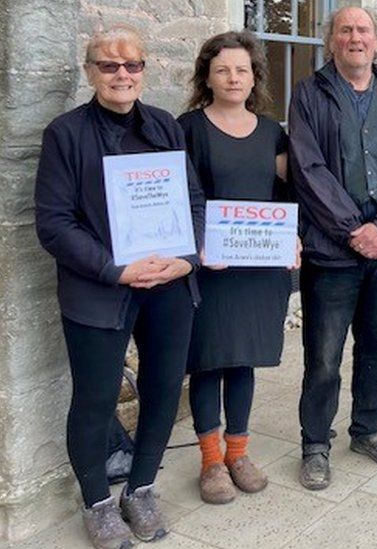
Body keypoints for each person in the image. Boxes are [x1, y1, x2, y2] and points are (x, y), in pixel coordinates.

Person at [34, 25, 205, 548]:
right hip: (100, 286)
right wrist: (117, 270)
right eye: (109, 65)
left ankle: (142, 487)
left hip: (169, 284)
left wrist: (186, 259)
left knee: (162, 386)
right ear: (90, 72)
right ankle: (98, 503)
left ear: (144, 71)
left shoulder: (164, 126)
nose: (122, 74)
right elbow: (54, 223)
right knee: (95, 397)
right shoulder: (65, 133)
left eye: (132, 65)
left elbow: (194, 201)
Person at [289, 6, 377, 489]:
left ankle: (368, 429)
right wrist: (355, 229)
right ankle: (314, 442)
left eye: (364, 30)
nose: (355, 37)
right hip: (333, 250)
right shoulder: (309, 94)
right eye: (345, 30)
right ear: (331, 41)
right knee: (324, 354)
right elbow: (308, 170)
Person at [178, 31, 299, 504]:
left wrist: (295, 236)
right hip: (210, 265)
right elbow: (179, 197)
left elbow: (288, 195)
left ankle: (239, 452)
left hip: (259, 266)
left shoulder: (272, 132)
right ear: (207, 76)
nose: (233, 77)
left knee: (244, 358)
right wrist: (199, 243)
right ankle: (210, 460)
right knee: (209, 360)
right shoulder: (187, 128)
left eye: (242, 69)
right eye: (223, 69)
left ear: (254, 78)